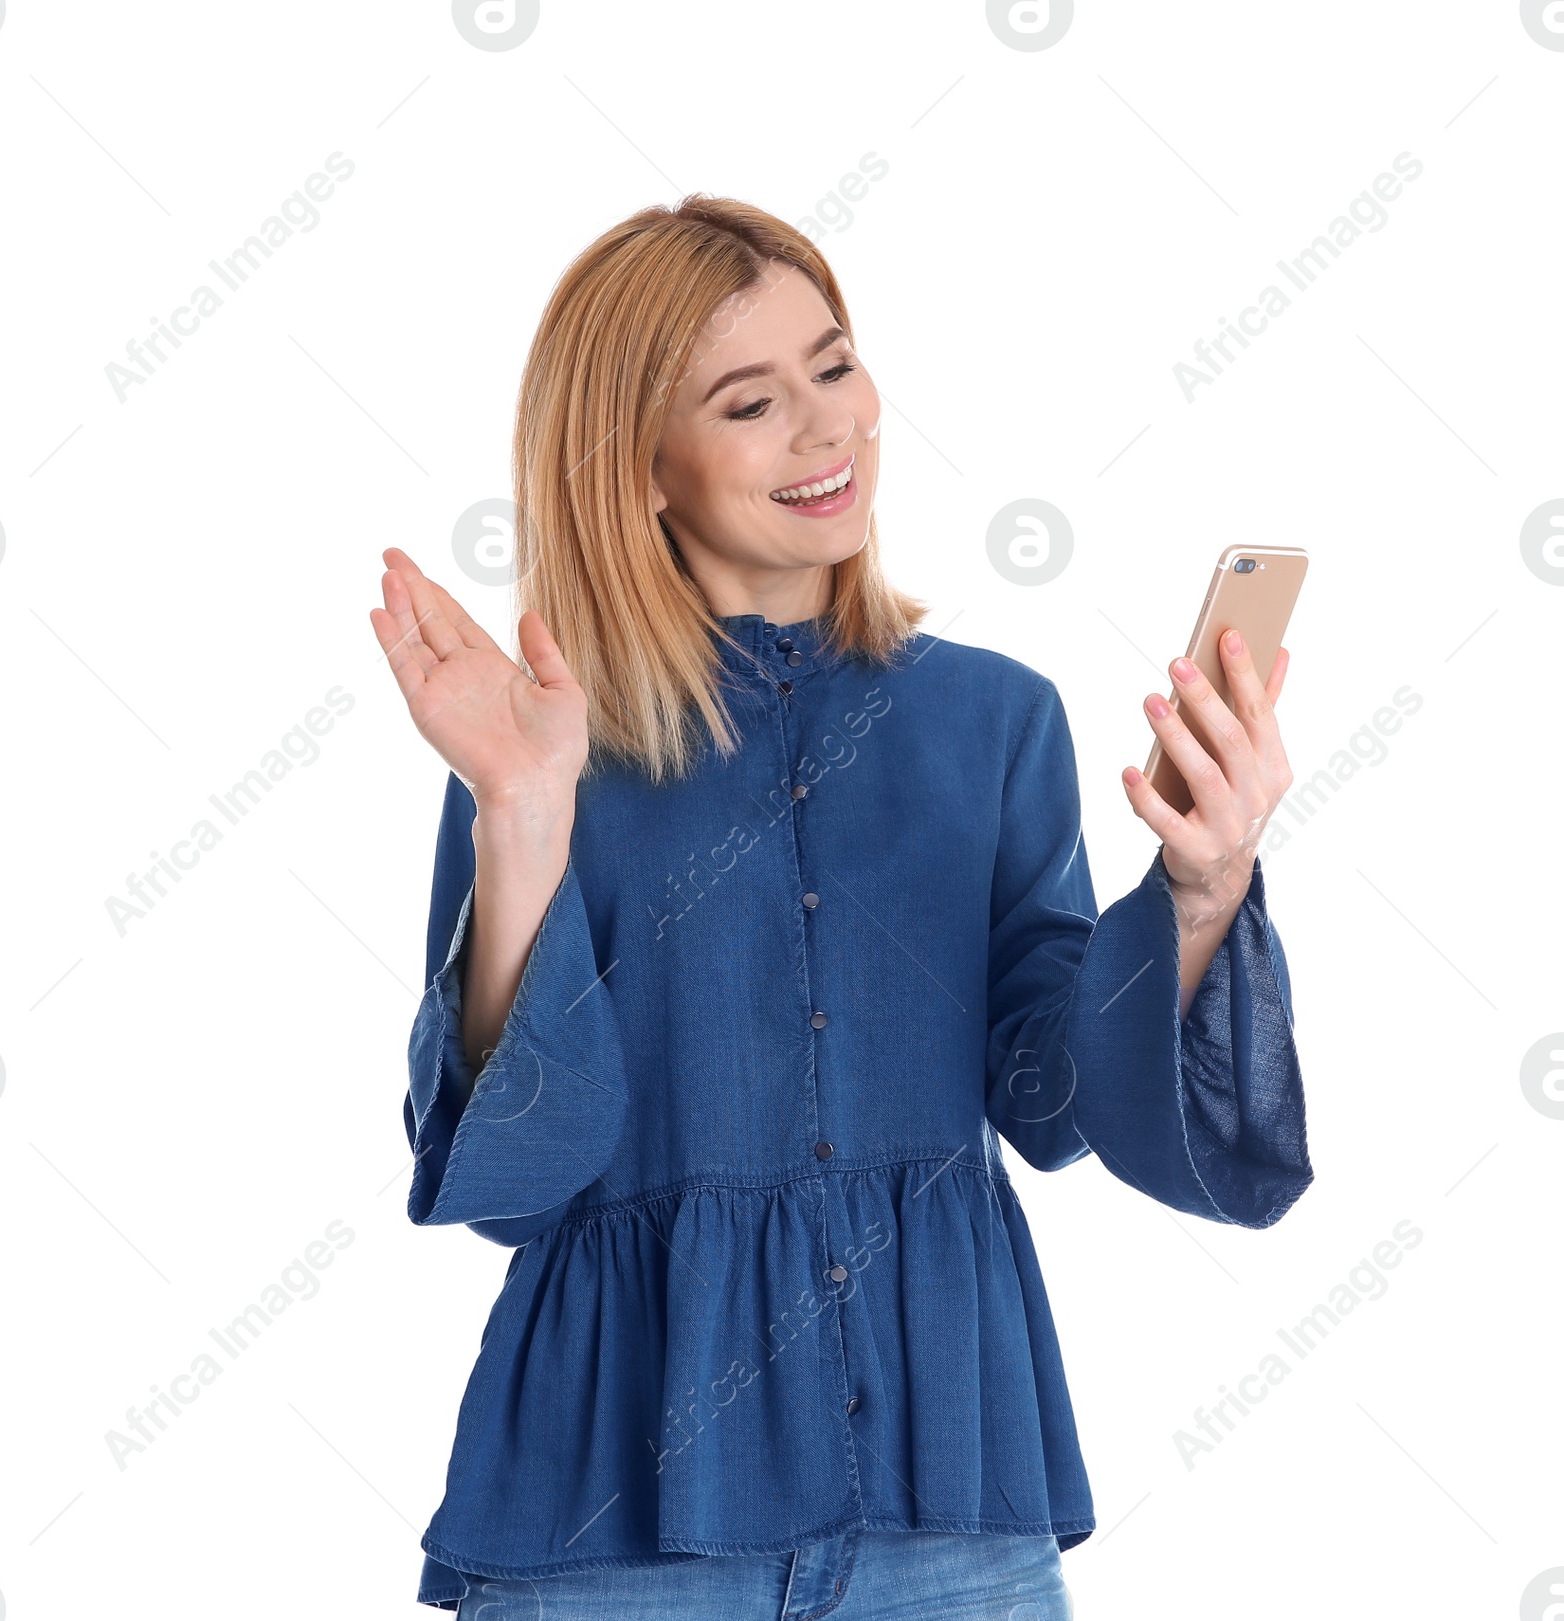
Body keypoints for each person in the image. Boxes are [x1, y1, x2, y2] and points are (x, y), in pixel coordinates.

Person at [370, 195, 1313, 1619]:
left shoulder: (995, 720)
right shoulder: (546, 750)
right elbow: (514, 1182)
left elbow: (1052, 1097)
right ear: (643, 472)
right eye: (752, 401)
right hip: (610, 1525)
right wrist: (520, 810)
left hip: (950, 1516)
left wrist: (1198, 887)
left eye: (836, 363)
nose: (827, 426)